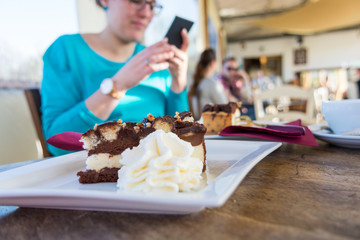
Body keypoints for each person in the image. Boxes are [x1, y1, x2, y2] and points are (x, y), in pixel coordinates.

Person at [41, 0, 190, 156]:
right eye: (136, 1)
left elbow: (183, 140)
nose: (146, 13)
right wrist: (117, 86)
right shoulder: (67, 50)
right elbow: (56, 144)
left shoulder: (158, 62)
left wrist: (179, 83)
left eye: (152, 5)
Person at [189, 48, 227, 116]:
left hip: (197, 123)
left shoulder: (195, 82)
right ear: (213, 63)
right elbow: (225, 107)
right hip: (210, 124)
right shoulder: (212, 83)